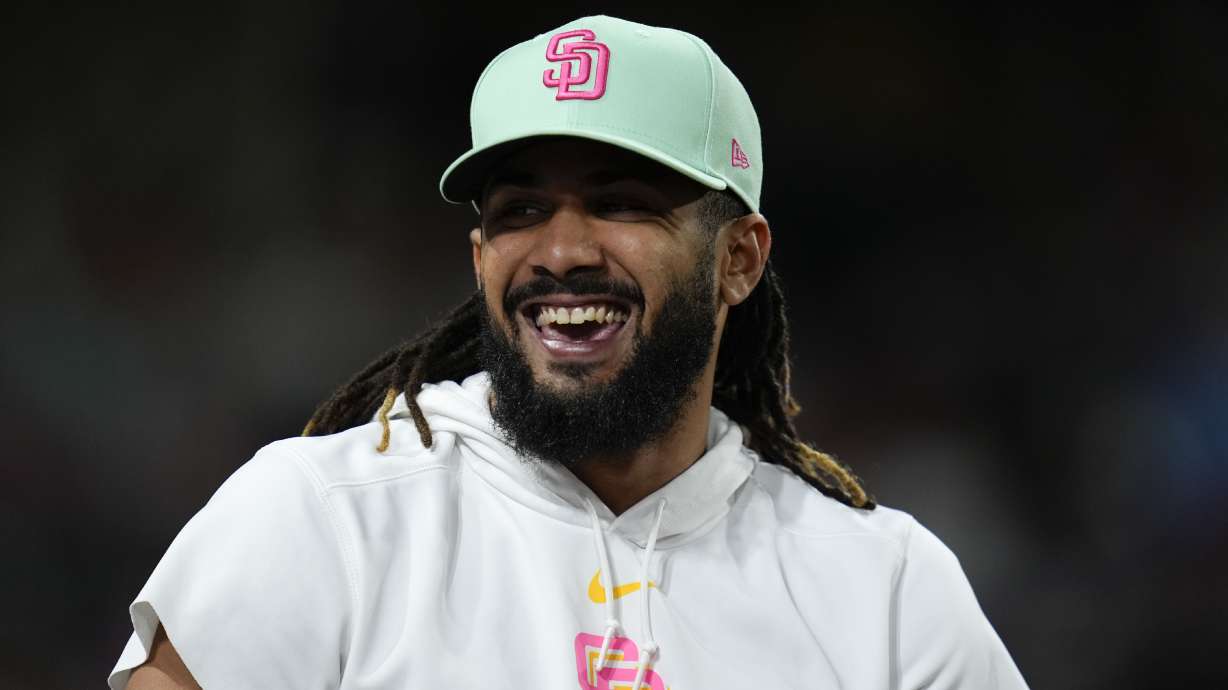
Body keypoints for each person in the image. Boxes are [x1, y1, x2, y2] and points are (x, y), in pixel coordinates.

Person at [110, 15, 1028, 690]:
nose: (560, 251)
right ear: (480, 261)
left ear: (738, 259)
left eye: (622, 201)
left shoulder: (885, 589)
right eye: (519, 211)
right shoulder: (325, 520)